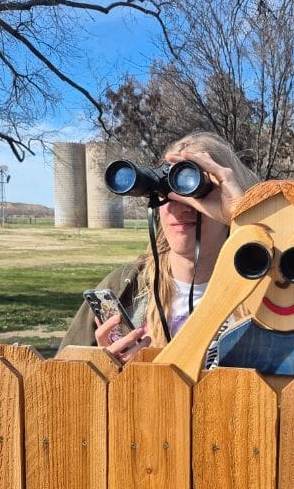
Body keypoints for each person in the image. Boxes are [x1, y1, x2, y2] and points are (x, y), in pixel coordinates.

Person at [58, 131, 260, 363]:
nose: (181, 207)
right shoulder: (124, 287)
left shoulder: (266, 289)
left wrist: (244, 216)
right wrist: (103, 372)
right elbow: (56, 382)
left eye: (198, 192)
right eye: (166, 192)